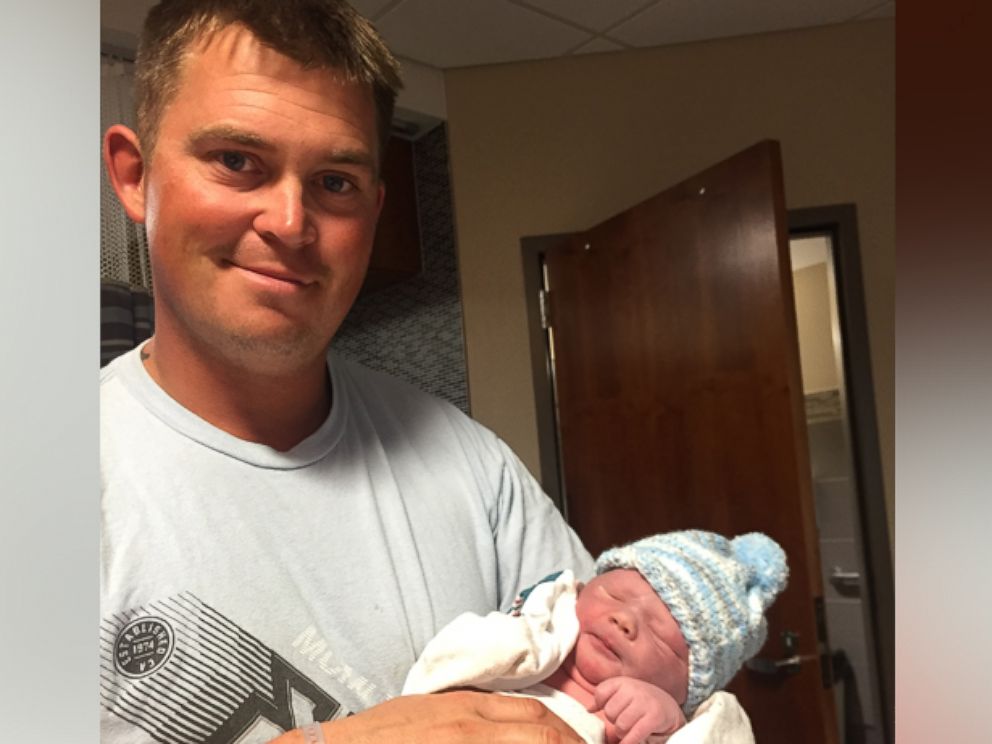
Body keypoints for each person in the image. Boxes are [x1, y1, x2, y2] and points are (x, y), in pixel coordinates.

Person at [100, 1, 593, 742]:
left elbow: (616, 697)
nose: (291, 223)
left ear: (374, 209)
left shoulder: (473, 468)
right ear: (135, 176)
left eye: (335, 182)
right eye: (237, 161)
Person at [402, 531, 789, 744]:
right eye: (614, 595)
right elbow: (444, 667)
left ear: (688, 687)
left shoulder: (661, 717)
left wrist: (665, 722)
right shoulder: (528, 645)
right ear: (585, 588)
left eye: (660, 634)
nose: (625, 620)